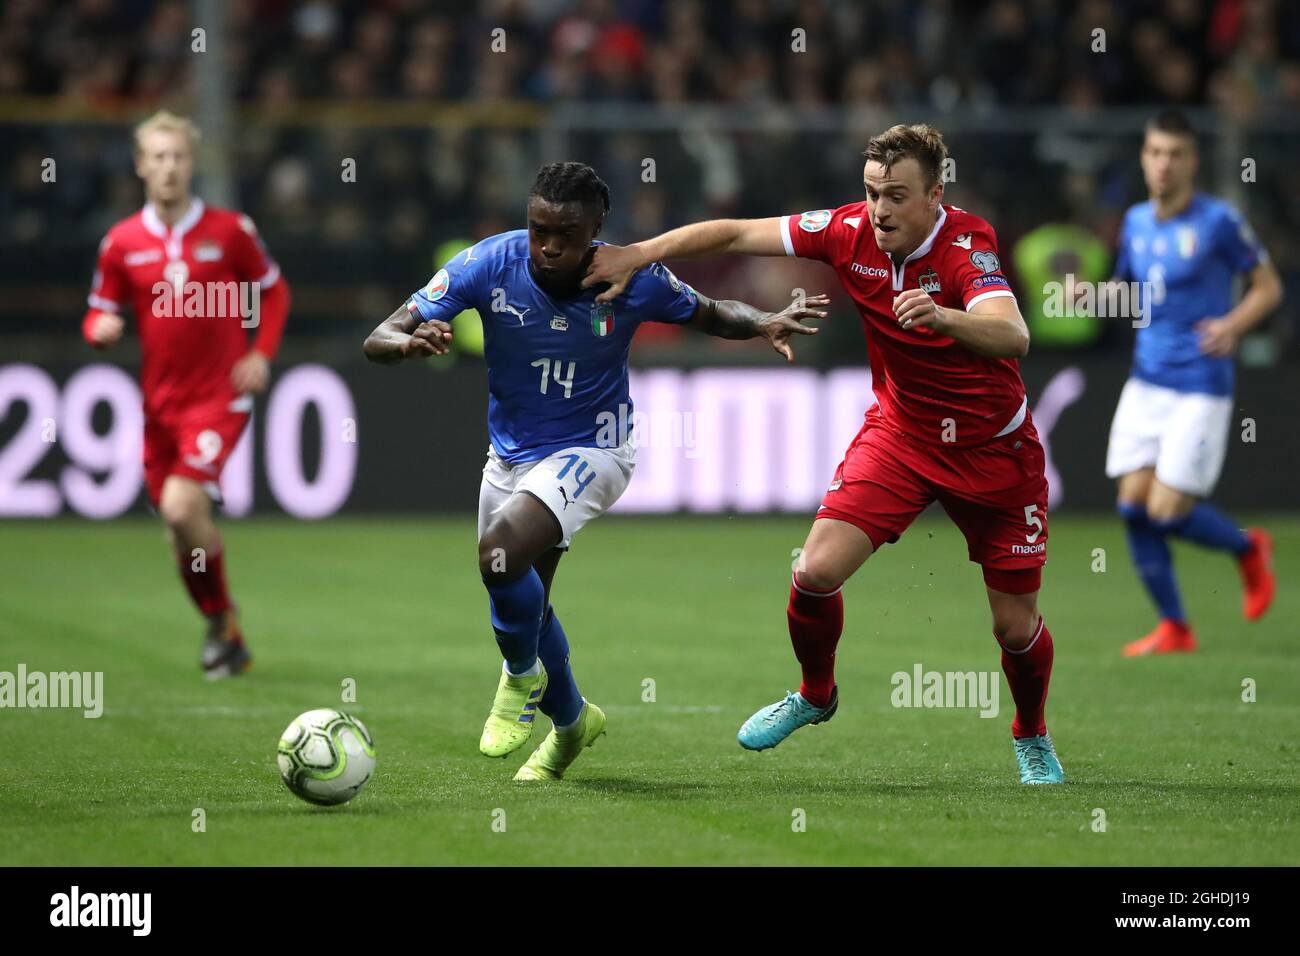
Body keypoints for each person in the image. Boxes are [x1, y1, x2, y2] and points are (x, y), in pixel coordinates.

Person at [586, 125, 1064, 784]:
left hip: (994, 452)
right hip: (901, 439)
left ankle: (1031, 732)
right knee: (813, 571)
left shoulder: (965, 245)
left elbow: (1013, 334)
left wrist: (946, 317)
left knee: (1015, 628)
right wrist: (639, 252)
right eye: (872, 193)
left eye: (897, 195)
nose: (881, 210)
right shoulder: (845, 232)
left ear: (936, 193)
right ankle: (815, 694)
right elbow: (732, 233)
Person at [364, 161, 826, 781]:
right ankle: (571, 726)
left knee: (497, 556)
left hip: (597, 450)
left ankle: (520, 678)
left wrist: (763, 320)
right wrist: (410, 344)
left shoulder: (631, 278)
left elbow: (711, 312)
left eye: (567, 234)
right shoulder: (487, 264)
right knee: (527, 604)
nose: (549, 246)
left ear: (597, 229)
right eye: (538, 230)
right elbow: (381, 335)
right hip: (511, 460)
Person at [83, 110, 290, 678]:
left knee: (181, 505)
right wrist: (97, 331)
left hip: (219, 397)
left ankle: (222, 623)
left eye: (178, 156)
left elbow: (273, 294)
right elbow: (99, 310)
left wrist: (259, 354)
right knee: (179, 530)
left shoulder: (229, 232)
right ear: (141, 165)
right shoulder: (121, 242)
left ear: (190, 164)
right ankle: (222, 622)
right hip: (160, 405)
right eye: (159, 157)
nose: (169, 167)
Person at [1106, 110, 1281, 656]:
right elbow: (1129, 291)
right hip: (1146, 381)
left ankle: (1247, 547)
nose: (1164, 164)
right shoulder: (1135, 221)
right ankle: (1175, 627)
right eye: (1156, 152)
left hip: (1200, 385)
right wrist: (1089, 297)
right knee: (1132, 504)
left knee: (1166, 510)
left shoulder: (1219, 222)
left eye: (1175, 154)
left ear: (1192, 162)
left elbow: (1268, 287)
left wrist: (1232, 324)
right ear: (1144, 157)